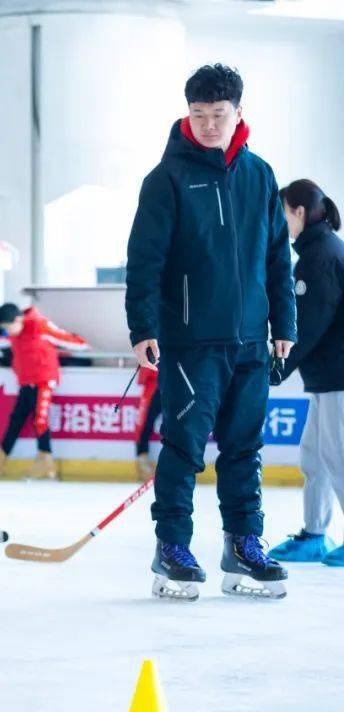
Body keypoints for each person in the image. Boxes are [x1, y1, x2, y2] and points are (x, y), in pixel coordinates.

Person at [125, 64, 295, 601]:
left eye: (218, 115)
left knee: (245, 448)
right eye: (198, 115)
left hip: (250, 341)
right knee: (184, 448)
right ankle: (172, 547)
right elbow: (144, 261)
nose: (208, 125)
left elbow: (276, 259)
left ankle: (244, 545)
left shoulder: (260, 175)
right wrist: (143, 327)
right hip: (189, 343)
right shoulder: (166, 179)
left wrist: (283, 325)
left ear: (239, 113)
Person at [266, 180, 344, 566]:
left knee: (339, 456)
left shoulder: (320, 257)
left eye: (282, 213)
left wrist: (277, 368)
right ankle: (315, 533)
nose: (280, 223)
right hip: (326, 378)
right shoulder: (316, 252)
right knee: (314, 456)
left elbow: (308, 323)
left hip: (339, 378)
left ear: (297, 212)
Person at [0, 304, 89, 481]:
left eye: (8, 327)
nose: (8, 332)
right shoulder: (15, 333)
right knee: (17, 419)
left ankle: (46, 461)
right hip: (27, 381)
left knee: (40, 419)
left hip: (43, 379)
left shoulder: (40, 325)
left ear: (18, 320)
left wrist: (81, 344)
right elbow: (4, 340)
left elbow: (65, 339)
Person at [134, 366, 162, 483]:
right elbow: (142, 378)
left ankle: (143, 461)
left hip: (171, 386)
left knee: (182, 425)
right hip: (155, 386)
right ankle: (143, 461)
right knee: (144, 424)